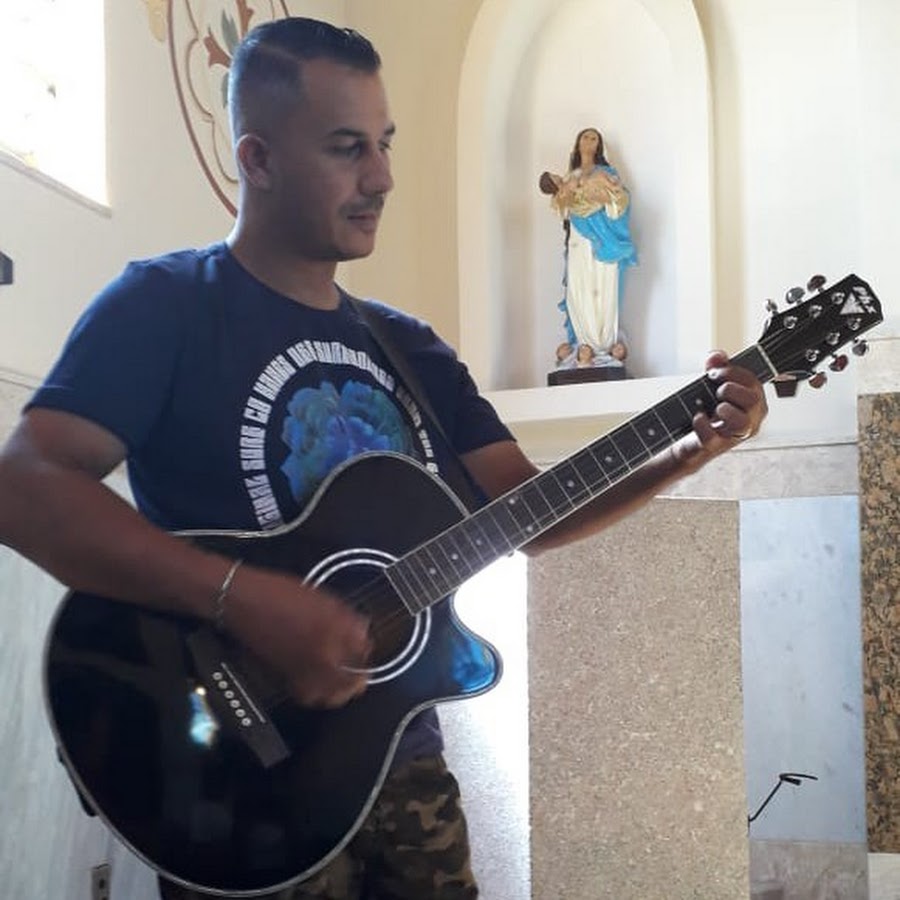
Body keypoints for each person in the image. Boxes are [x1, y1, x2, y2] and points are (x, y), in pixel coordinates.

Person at [0, 16, 767, 900]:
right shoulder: (167, 304)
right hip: (238, 778)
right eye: (347, 148)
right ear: (257, 159)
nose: (382, 177)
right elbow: (24, 486)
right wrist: (244, 600)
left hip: (402, 769)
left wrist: (687, 450)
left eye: (386, 143)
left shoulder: (412, 349)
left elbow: (525, 512)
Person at [540, 127, 638, 362]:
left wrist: (604, 198)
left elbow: (620, 200)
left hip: (603, 237)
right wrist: (567, 195)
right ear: (578, 144)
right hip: (579, 239)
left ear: (599, 145)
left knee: (602, 286)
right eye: (585, 137)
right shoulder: (568, 178)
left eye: (594, 138)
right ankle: (584, 345)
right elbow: (560, 208)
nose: (590, 141)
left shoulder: (607, 172)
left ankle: (604, 343)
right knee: (580, 286)